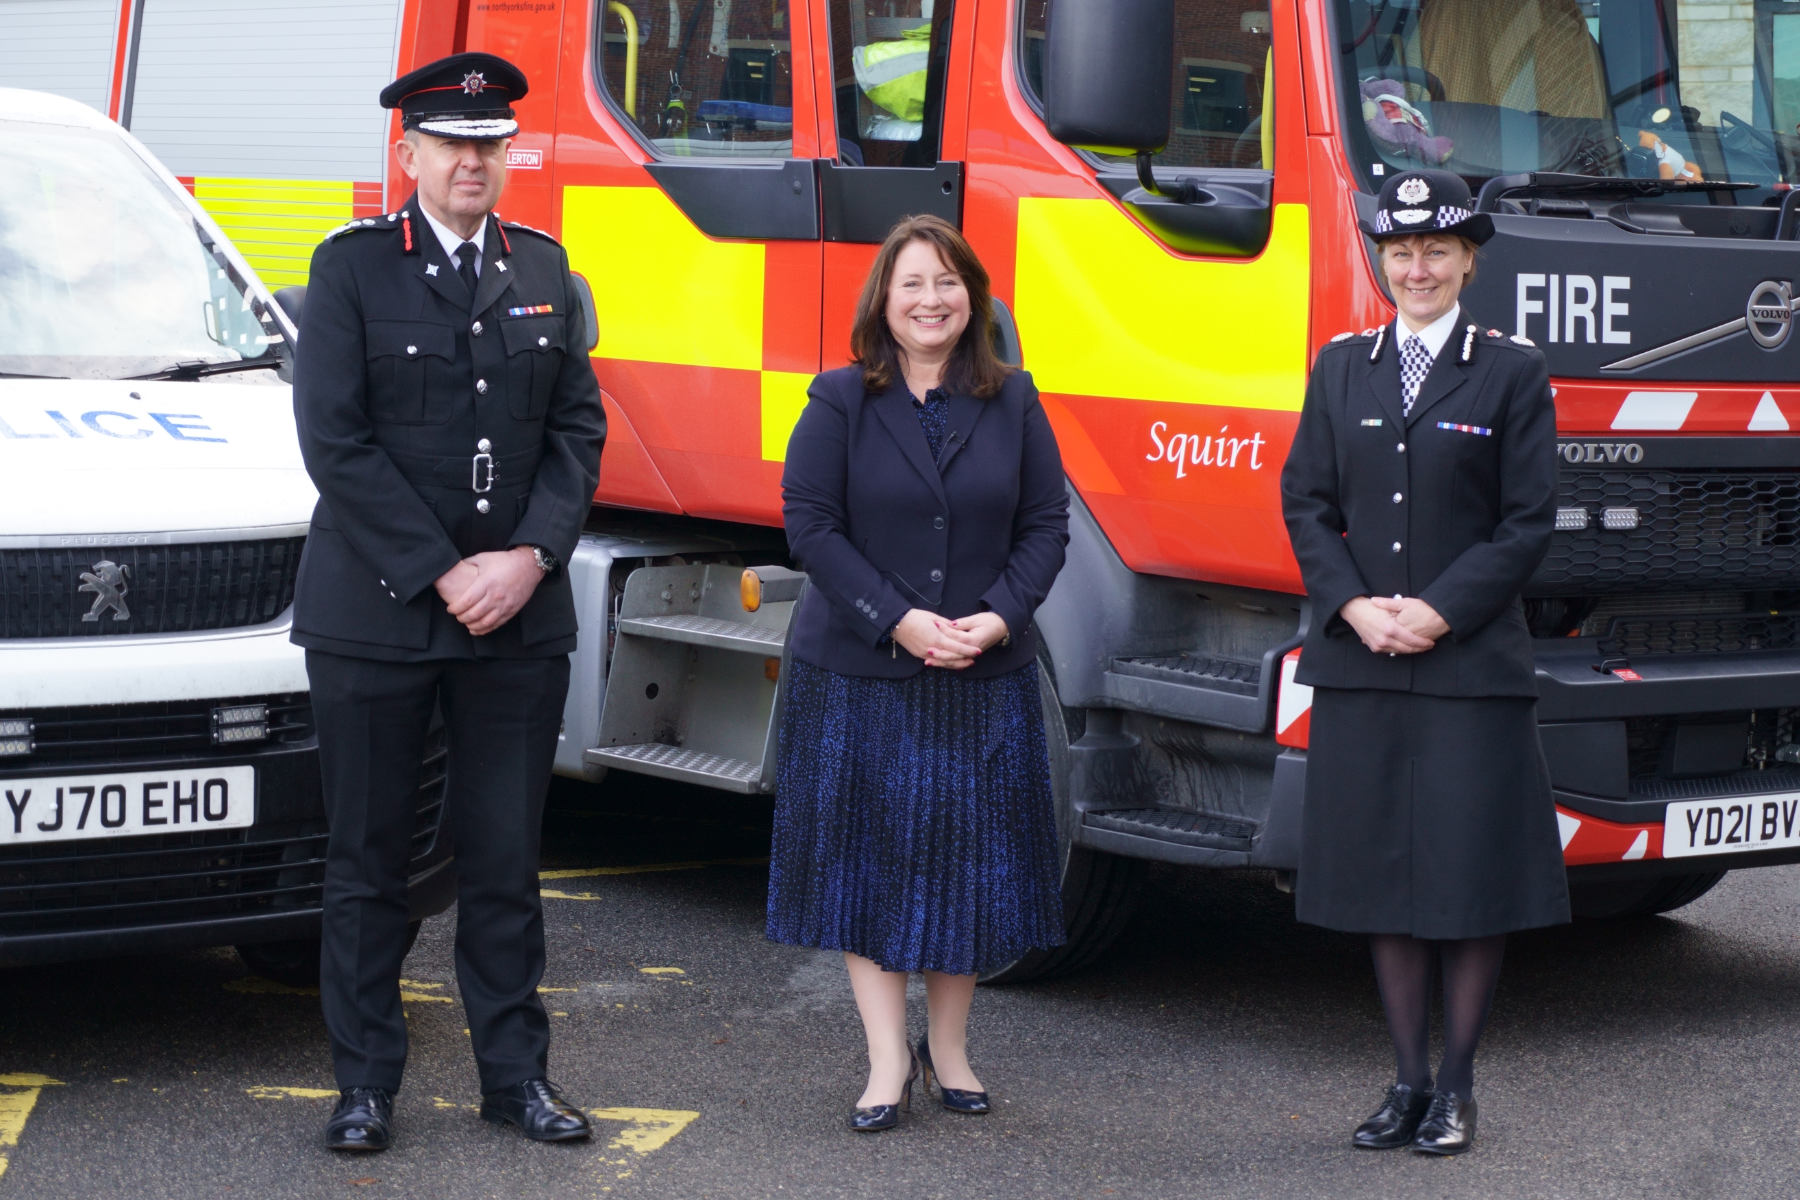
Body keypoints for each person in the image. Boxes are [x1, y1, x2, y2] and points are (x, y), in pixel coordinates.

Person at [290, 51, 606, 1152]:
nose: (473, 159)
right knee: (369, 862)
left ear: (507, 155)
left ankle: (515, 1080)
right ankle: (366, 1085)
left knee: (505, 861)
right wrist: (443, 569)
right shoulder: (351, 270)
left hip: (516, 614)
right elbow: (336, 442)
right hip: (377, 613)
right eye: (453, 142)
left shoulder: (547, 268)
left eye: (491, 143)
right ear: (410, 152)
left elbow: (576, 431)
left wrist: (525, 557)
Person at [1279, 169, 1570, 1156]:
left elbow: (1528, 521)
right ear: (1382, 260)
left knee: (1465, 877)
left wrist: (1438, 612)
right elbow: (1307, 504)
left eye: (1436, 252)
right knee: (1382, 877)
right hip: (1364, 659)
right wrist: (1355, 606)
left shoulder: (1511, 372)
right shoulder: (1342, 367)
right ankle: (1404, 1080)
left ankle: (1456, 1087)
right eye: (1400, 252)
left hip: (1467, 664)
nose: (1417, 268)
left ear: (1467, 260)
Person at [769, 214, 1069, 1132]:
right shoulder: (836, 399)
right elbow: (810, 526)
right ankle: (886, 1058)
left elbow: (1047, 526)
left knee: (968, 866)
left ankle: (950, 1050)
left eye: (947, 283)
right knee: (871, 865)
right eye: (912, 285)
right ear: (883, 303)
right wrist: (898, 620)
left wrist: (998, 618)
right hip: (862, 669)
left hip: (983, 669)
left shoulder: (1014, 400)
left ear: (973, 296)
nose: (931, 300)